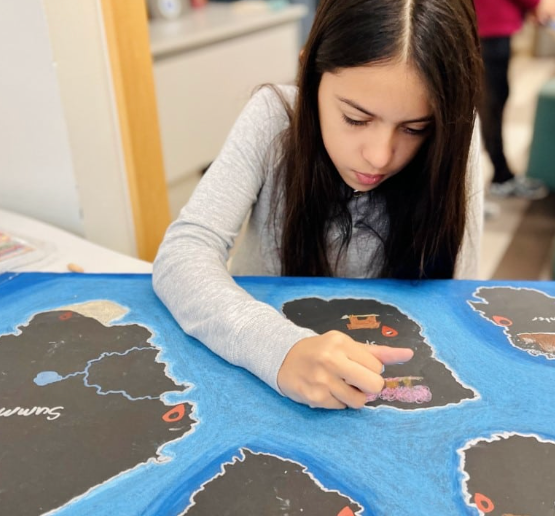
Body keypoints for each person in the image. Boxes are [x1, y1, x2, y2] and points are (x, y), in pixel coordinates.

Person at [153, 0, 484, 410]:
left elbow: (459, 293)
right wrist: (281, 349)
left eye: (415, 129)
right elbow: (183, 253)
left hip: (385, 390)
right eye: (355, 119)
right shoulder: (274, 118)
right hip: (263, 382)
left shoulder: (455, 138)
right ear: (309, 74)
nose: (380, 156)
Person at [473, 0, 555, 200]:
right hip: (487, 28)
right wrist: (537, 4)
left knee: (485, 103)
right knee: (490, 104)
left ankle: (494, 178)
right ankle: (501, 177)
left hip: (479, 24)